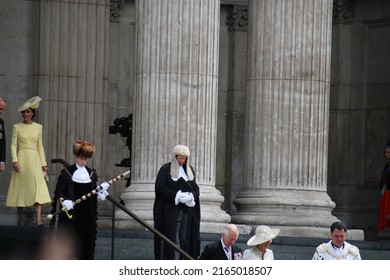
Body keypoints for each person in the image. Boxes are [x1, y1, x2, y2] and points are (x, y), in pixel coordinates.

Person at [50, 140, 109, 260]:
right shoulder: (67, 173)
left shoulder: (91, 174)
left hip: (87, 215)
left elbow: (92, 192)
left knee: (86, 243)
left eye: (86, 159)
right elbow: (59, 192)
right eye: (81, 158)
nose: (83, 162)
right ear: (76, 156)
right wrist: (65, 201)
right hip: (71, 215)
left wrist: (100, 190)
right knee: (70, 242)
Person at [6, 96, 51, 226]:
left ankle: (38, 220)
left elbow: (40, 146)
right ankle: (21, 220)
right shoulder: (17, 127)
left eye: (28, 112)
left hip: (35, 160)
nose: (25, 114)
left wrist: (44, 164)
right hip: (22, 158)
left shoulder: (38, 127)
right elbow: (13, 145)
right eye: (23, 112)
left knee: (37, 188)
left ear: (32, 113)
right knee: (21, 188)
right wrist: (15, 161)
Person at [153, 144, 201, 260]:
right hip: (171, 211)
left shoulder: (189, 170)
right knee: (174, 238)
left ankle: (183, 259)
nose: (182, 161)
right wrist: (176, 195)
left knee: (184, 237)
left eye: (184, 158)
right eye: (180, 158)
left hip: (187, 210)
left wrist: (190, 196)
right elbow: (160, 188)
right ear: (175, 157)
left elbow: (195, 188)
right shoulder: (165, 169)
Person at [378, 141, 390, 232]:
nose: (386, 154)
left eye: (388, 152)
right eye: (385, 152)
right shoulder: (387, 165)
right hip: (385, 193)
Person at [0, 97, 6, 172]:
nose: (1, 112)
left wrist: (2, 161)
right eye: (0, 109)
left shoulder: (1, 122)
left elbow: (2, 142)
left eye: (2, 109)